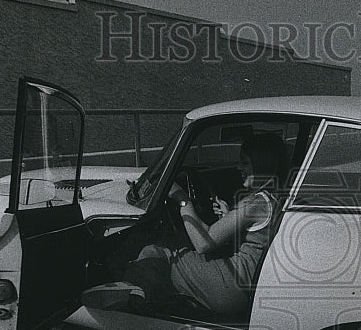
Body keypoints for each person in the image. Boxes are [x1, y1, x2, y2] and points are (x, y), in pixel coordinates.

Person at [83, 133, 288, 318]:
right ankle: (153, 296)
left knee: (161, 252)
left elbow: (204, 243)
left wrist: (182, 199)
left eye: (245, 162)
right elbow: (253, 236)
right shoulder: (274, 197)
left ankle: (134, 290)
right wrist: (229, 217)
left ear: (262, 163)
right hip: (248, 286)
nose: (239, 168)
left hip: (232, 286)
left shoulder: (253, 203)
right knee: (180, 248)